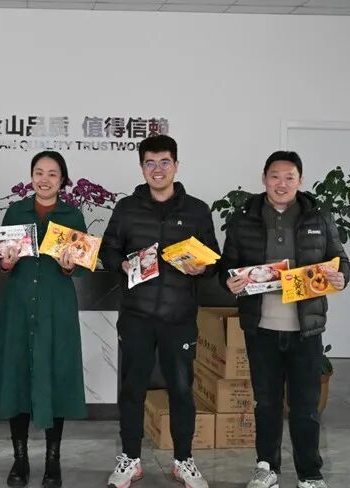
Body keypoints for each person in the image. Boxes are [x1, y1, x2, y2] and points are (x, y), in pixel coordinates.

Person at [220, 151, 349, 488]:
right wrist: (228, 281)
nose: (282, 183)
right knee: (266, 403)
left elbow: (340, 259)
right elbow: (227, 265)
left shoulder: (318, 216)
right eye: (275, 176)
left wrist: (341, 277)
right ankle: (266, 468)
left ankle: (310, 473)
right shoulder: (243, 218)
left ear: (300, 181)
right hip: (260, 327)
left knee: (306, 406)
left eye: (289, 177)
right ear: (264, 179)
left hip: (306, 329)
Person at [98, 135, 219, 488]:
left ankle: (184, 461)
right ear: (142, 168)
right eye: (150, 163)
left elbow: (213, 258)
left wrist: (203, 268)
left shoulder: (197, 210)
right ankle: (131, 459)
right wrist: (121, 264)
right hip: (136, 315)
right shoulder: (126, 208)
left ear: (176, 166)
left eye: (165, 162)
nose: (158, 169)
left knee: (181, 389)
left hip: (179, 317)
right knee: (132, 388)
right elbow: (107, 250)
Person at [0, 151, 87, 488]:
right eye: (39, 172)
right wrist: (7, 262)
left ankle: (53, 462)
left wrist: (70, 266)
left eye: (52, 174)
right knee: (17, 377)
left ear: (62, 180)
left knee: (56, 376)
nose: (45, 179)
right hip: (18, 305)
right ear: (31, 177)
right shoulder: (16, 211)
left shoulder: (73, 215)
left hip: (57, 307)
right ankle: (20, 459)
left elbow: (82, 266)